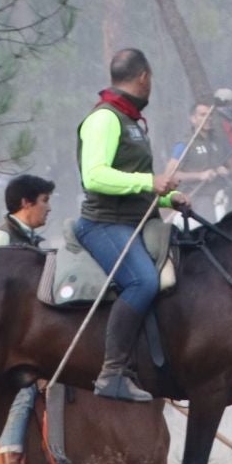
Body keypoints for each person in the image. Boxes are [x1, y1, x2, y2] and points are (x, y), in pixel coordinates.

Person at [73, 48, 191, 403]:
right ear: (144, 77)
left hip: (137, 220)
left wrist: (169, 199)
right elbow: (95, 177)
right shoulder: (105, 119)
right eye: (151, 78)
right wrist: (148, 182)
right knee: (142, 281)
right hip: (104, 224)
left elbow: (133, 182)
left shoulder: (131, 121)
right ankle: (113, 373)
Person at [0, 174, 56, 464]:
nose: (49, 208)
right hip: (5, 341)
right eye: (44, 201)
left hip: (29, 336)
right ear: (25, 203)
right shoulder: (1, 240)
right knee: (22, 390)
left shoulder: (33, 242)